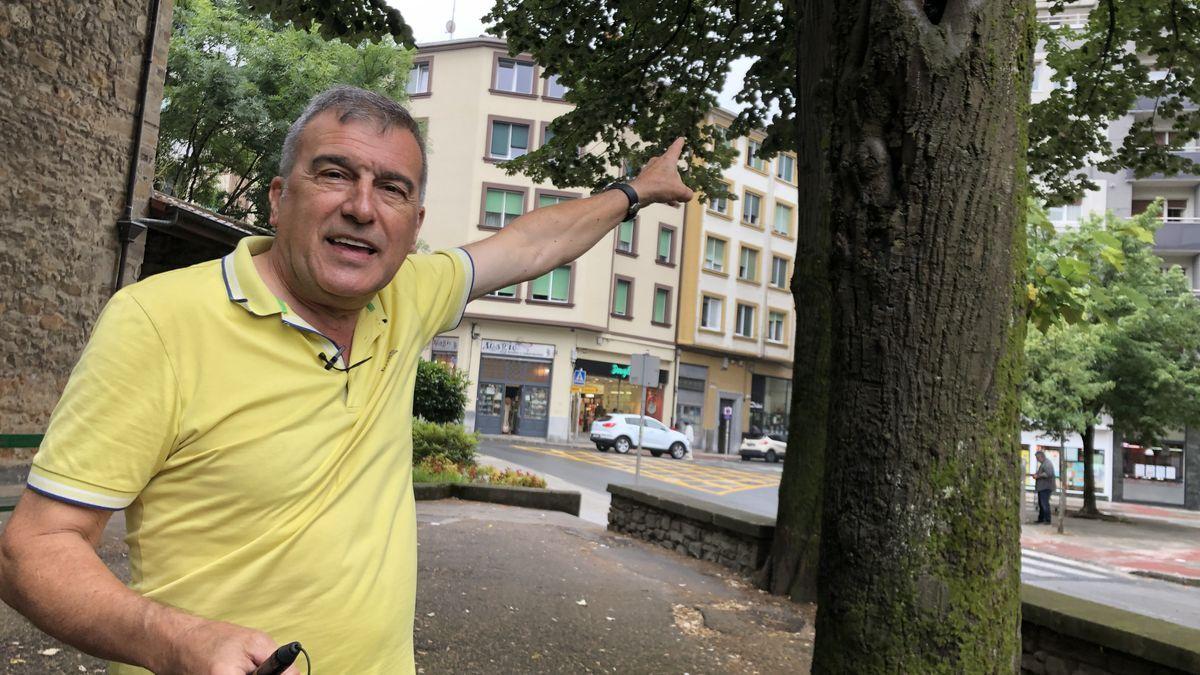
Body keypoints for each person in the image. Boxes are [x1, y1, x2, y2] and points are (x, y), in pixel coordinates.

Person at [0, 86, 693, 674]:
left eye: (392, 189)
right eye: (334, 174)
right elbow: (35, 547)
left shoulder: (408, 294)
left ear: (413, 225)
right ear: (278, 197)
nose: (363, 206)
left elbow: (536, 241)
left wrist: (635, 191)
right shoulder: (159, 322)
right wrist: (177, 639)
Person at [1032, 450, 1057, 524]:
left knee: (1044, 503)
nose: (1037, 459)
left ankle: (1047, 519)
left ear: (1041, 457)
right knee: (1041, 503)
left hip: (1046, 487)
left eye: (1037, 458)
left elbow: (1049, 474)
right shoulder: (1044, 463)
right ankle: (1041, 518)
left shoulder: (1047, 463)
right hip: (1043, 487)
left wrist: (1038, 476)